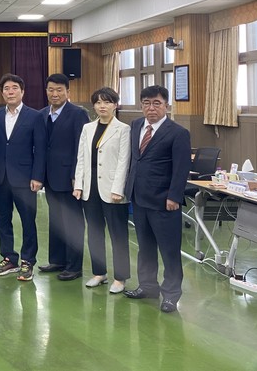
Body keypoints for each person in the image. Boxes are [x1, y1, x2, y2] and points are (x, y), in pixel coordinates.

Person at [123, 85, 190, 313]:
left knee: (169, 251)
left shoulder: (178, 133)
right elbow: (135, 160)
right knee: (145, 247)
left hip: (164, 202)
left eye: (157, 103)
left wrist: (174, 196)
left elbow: (181, 168)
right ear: (141, 105)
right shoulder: (136, 126)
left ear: (166, 106)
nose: (151, 108)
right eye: (147, 103)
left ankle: (171, 295)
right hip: (139, 198)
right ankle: (147, 286)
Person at [73, 87, 131, 294]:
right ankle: (99, 273)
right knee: (94, 232)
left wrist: (118, 189)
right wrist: (78, 185)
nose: (102, 106)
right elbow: (81, 158)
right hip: (90, 188)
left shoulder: (123, 129)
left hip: (113, 189)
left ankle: (120, 278)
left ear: (115, 105)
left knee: (118, 235)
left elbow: (124, 161)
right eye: (98, 102)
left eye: (107, 102)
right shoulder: (87, 128)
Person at [0, 73, 44, 282]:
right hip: (1, 178)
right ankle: (9, 258)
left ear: (22, 91)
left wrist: (37, 176)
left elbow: (40, 149)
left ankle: (28, 261)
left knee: (28, 221)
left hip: (25, 178)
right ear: (2, 93)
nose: (10, 92)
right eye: (6, 88)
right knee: (3, 220)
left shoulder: (35, 116)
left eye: (14, 88)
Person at [36, 73, 88, 281]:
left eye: (59, 90)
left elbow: (81, 147)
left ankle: (74, 266)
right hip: (50, 177)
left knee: (73, 222)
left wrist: (77, 175)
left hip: (69, 178)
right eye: (51, 90)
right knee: (56, 220)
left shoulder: (78, 114)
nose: (55, 94)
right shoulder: (42, 114)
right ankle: (57, 260)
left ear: (68, 91)